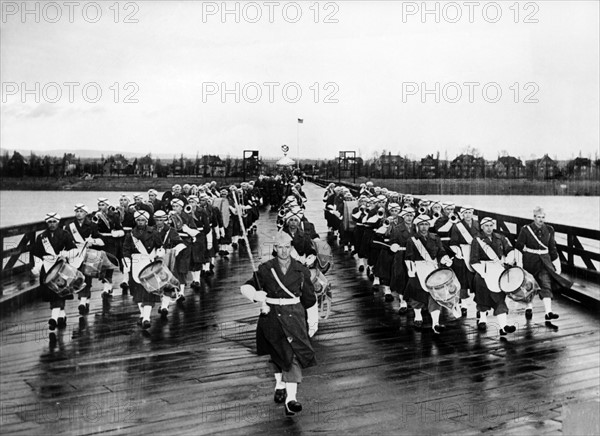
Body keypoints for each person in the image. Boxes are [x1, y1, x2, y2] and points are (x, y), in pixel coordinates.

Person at [240, 231, 318, 416]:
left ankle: (291, 399)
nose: (283, 251)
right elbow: (248, 285)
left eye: (287, 247)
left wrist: (312, 319)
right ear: (275, 248)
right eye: (280, 247)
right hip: (272, 316)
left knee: (292, 356)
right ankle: (279, 384)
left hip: (294, 316)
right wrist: (254, 295)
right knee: (276, 353)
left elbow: (308, 298)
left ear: (291, 248)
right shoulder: (265, 269)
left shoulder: (301, 270)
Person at [515, 206, 572, 327]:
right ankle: (529, 307)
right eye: (539, 217)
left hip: (545, 261)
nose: (541, 220)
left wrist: (556, 264)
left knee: (546, 284)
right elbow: (518, 247)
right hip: (529, 260)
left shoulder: (550, 229)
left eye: (543, 217)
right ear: (534, 217)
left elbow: (552, 248)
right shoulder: (526, 230)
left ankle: (548, 312)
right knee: (529, 285)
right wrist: (519, 263)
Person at [404, 215, 454, 333]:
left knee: (435, 293)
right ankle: (418, 316)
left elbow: (441, 252)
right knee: (417, 293)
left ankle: (435, 323)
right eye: (421, 224)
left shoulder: (435, 237)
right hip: (418, 268)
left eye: (426, 224)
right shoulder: (412, 240)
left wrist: (445, 259)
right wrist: (411, 270)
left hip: (433, 267)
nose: (424, 227)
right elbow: (409, 257)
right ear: (417, 226)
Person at [31, 213, 77, 337]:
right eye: (49, 222)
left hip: (61, 267)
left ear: (58, 222)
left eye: (54, 221)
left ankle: (53, 318)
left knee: (59, 291)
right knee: (52, 293)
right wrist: (36, 267)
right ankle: (61, 315)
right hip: (47, 267)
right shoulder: (41, 237)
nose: (52, 224)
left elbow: (74, 250)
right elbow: (37, 254)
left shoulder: (65, 234)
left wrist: (65, 254)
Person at [470, 217, 517, 335]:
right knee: (482, 297)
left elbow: (510, 249)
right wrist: (483, 272)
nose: (489, 228)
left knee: (499, 297)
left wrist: (510, 260)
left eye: (491, 225)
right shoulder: (477, 240)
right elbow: (474, 260)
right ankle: (482, 318)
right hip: (483, 270)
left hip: (498, 270)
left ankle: (503, 326)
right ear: (481, 227)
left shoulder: (500, 238)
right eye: (486, 226)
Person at [122, 210, 164, 329]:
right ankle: (142, 315)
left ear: (146, 221)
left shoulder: (154, 232)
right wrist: (127, 261)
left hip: (149, 264)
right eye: (138, 220)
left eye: (142, 220)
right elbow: (125, 249)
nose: (140, 222)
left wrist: (160, 253)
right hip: (135, 265)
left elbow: (159, 246)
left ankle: (146, 318)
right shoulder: (130, 234)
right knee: (137, 292)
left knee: (148, 291)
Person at [65, 203, 105, 315]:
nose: (79, 213)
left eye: (81, 211)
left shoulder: (92, 225)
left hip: (87, 253)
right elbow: (65, 239)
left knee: (87, 276)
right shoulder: (69, 225)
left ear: (86, 213)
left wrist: (92, 241)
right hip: (74, 253)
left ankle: (82, 301)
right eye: (77, 211)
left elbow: (99, 239)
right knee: (76, 276)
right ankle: (85, 299)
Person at [153, 210, 187, 318]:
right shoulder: (151, 230)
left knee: (167, 283)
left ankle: (164, 306)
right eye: (157, 220)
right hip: (154, 259)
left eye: (161, 219)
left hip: (167, 260)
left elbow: (181, 244)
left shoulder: (171, 231)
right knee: (157, 284)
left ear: (165, 220)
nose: (159, 222)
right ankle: (163, 304)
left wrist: (172, 252)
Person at [449, 205, 480, 317]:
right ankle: (464, 304)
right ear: (462, 214)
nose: (468, 215)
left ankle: (479, 306)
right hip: (463, 252)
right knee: (463, 279)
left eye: (470, 212)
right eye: (465, 213)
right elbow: (453, 242)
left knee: (477, 279)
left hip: (476, 252)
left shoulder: (477, 224)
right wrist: (459, 252)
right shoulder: (457, 226)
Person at [94, 198, 125, 298]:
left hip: (111, 242)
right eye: (99, 204)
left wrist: (116, 233)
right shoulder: (96, 215)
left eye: (103, 204)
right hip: (100, 242)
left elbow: (120, 228)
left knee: (109, 263)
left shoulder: (114, 215)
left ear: (107, 205)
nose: (100, 207)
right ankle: (107, 285)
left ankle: (107, 287)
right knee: (101, 265)